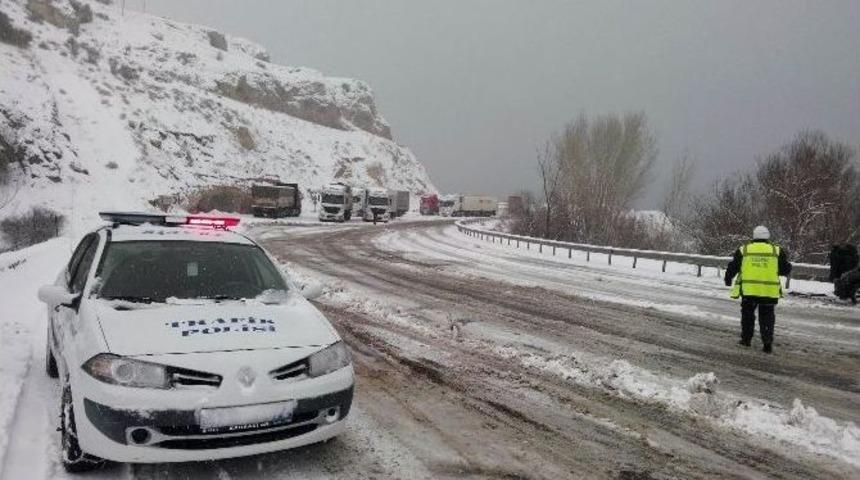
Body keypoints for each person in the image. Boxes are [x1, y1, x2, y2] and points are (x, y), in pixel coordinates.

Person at [724, 226, 792, 353]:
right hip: (768, 292)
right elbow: (785, 270)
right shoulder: (776, 250)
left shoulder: (744, 249)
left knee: (747, 316)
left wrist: (728, 278)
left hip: (749, 290)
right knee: (767, 317)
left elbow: (733, 266)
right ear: (767, 236)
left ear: (754, 236)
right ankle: (767, 343)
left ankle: (746, 339)